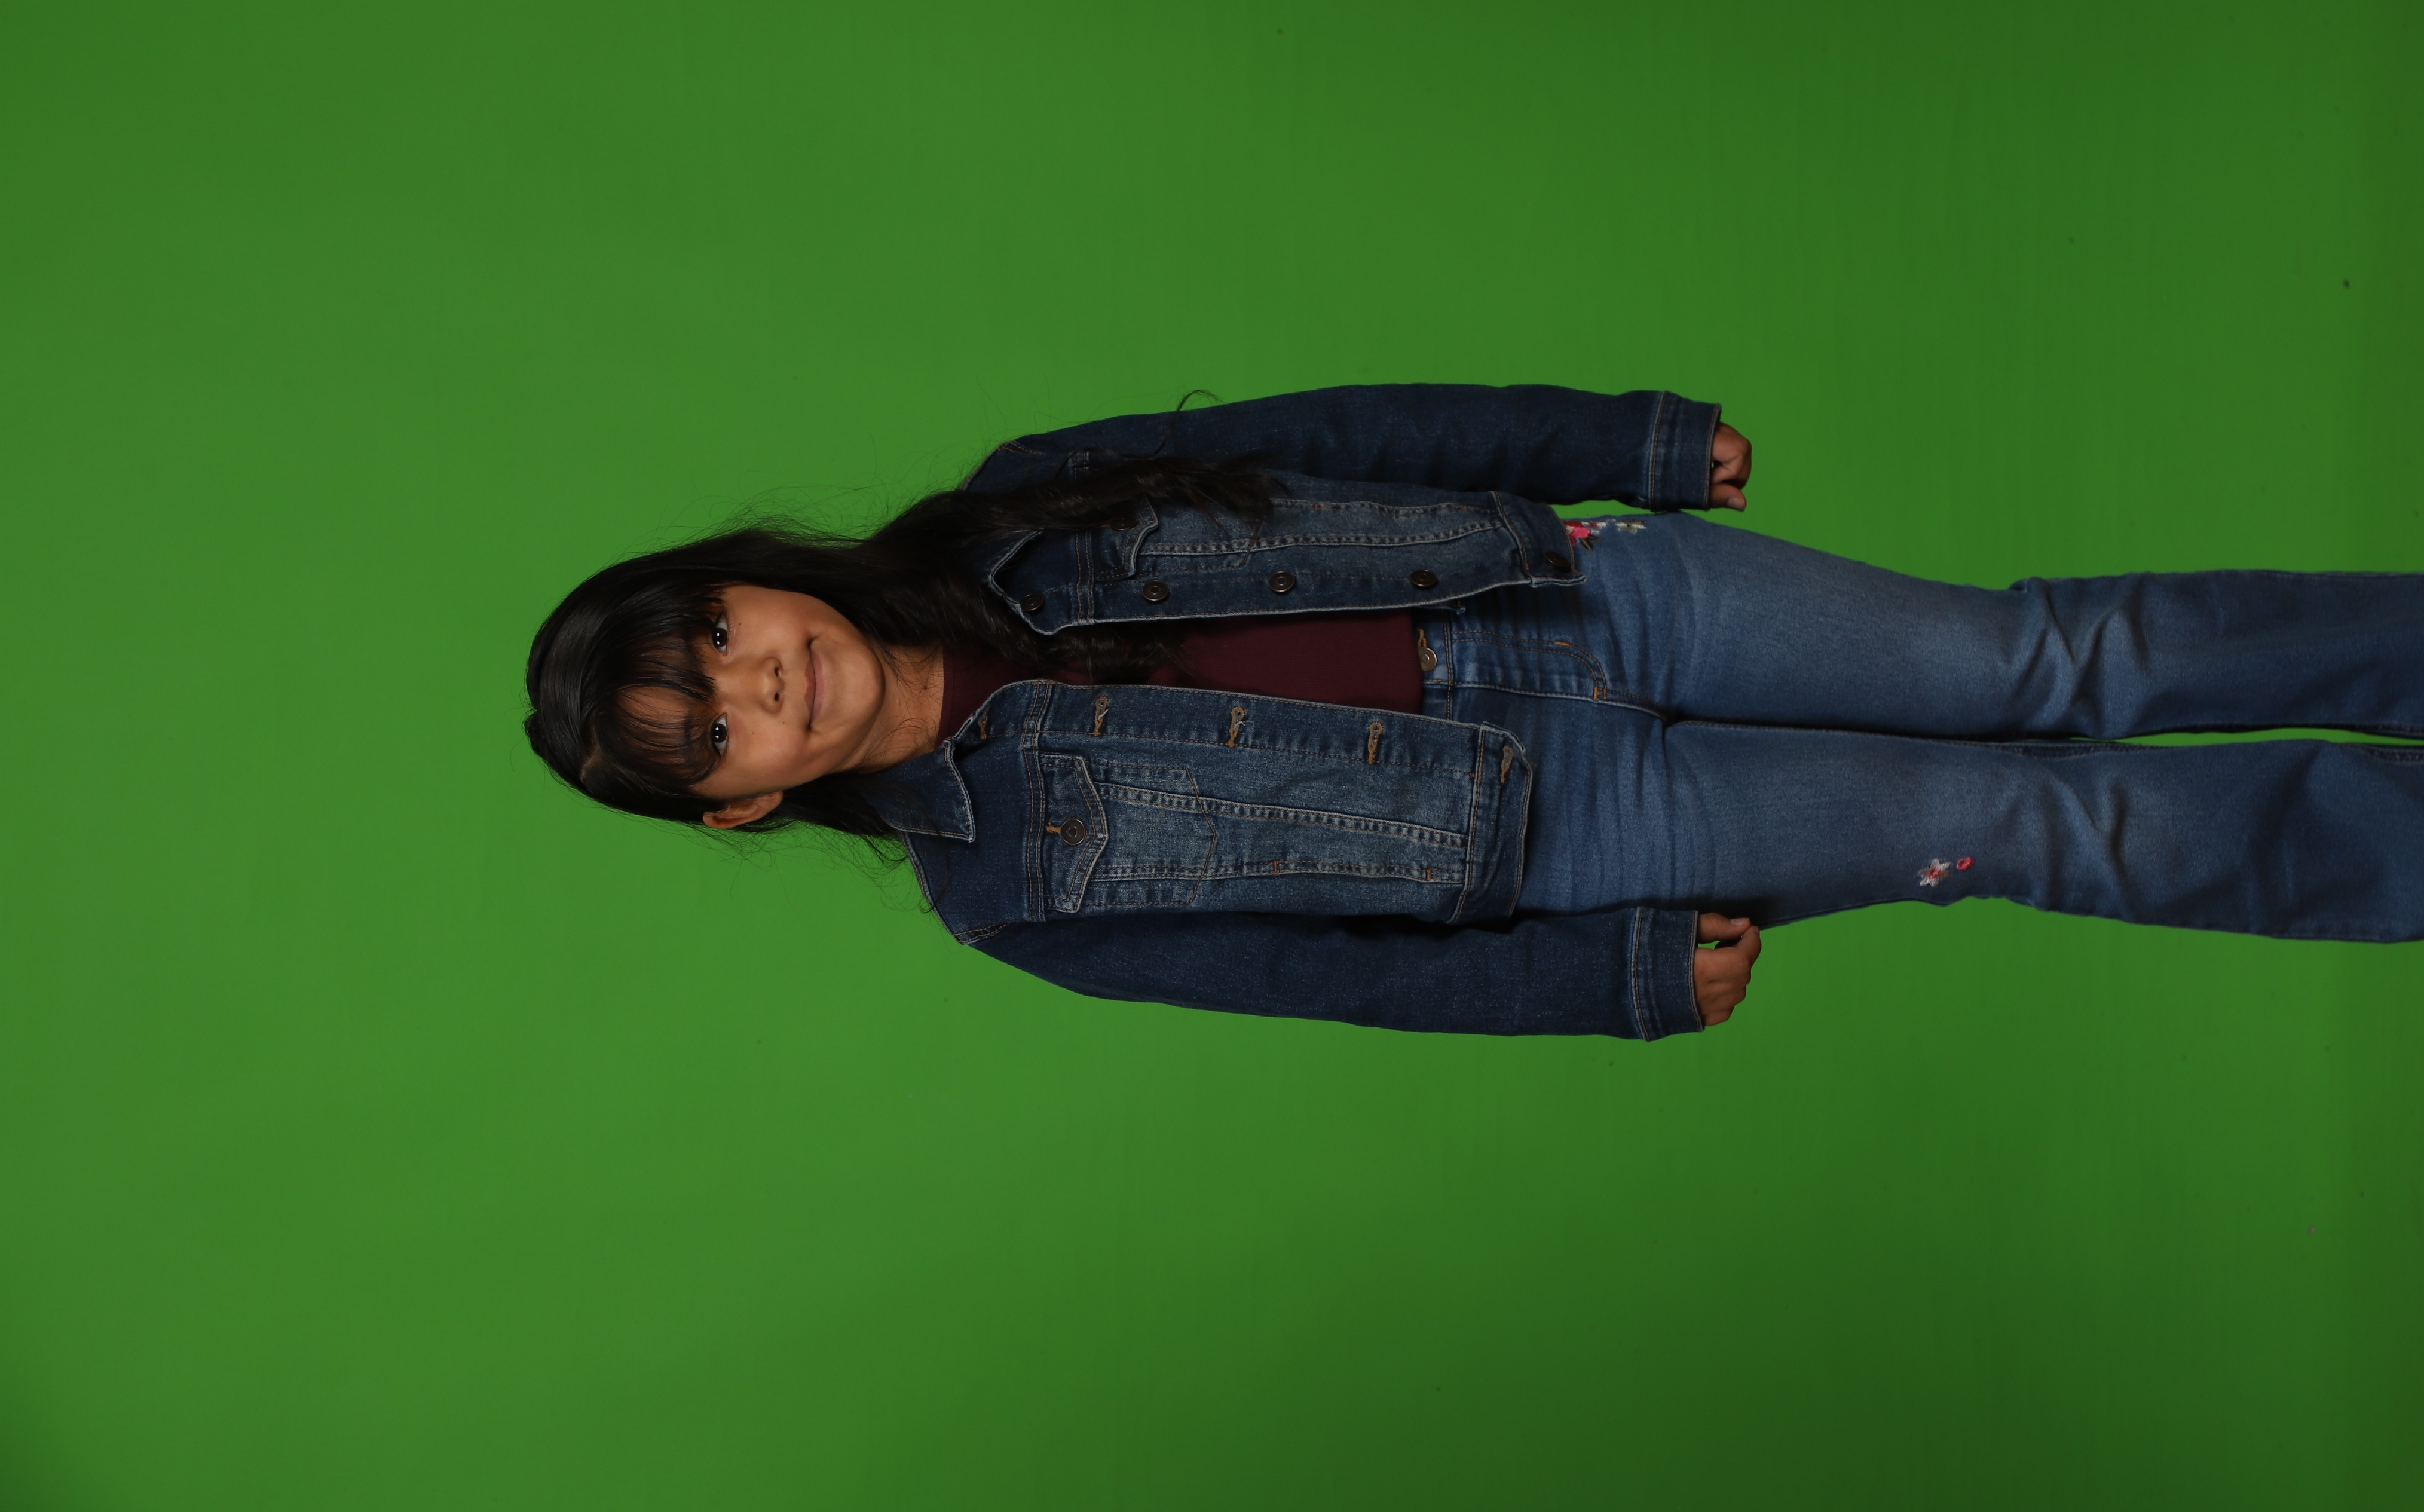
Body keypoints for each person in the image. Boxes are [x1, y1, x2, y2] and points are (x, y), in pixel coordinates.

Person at [523, 384, 2424, 1039]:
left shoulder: (1021, 500)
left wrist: (1616, 444)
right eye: (715, 731)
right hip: (1577, 834)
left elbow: (1336, 433)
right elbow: (1321, 974)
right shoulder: (1008, 892)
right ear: (740, 804)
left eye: (719, 633)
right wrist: (1605, 981)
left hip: (1581, 591)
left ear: (746, 575)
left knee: (2043, 660)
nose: (761, 679)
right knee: (2027, 819)